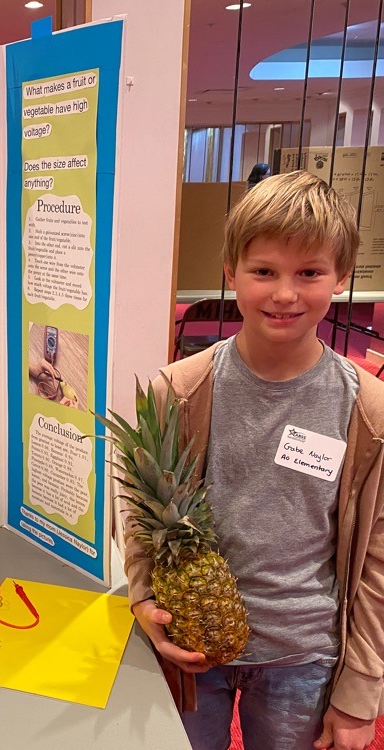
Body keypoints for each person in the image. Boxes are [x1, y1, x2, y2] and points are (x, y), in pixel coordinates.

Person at [127, 171, 383, 750]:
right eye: (263, 271)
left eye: (309, 272)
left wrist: (363, 687)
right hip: (190, 641)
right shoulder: (181, 389)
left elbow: (377, 561)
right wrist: (143, 598)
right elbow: (136, 505)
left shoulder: (367, 409)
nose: (284, 293)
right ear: (230, 273)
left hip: (306, 652)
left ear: (341, 277)